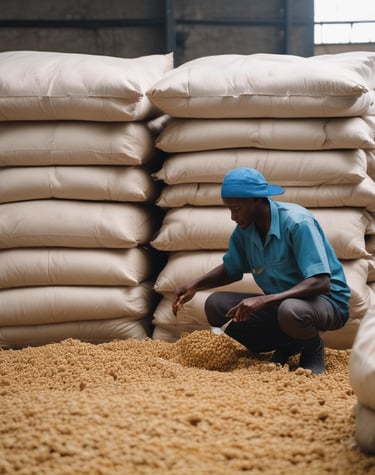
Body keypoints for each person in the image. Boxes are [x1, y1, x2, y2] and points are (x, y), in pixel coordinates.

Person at [172, 167, 350, 374]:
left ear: (257, 200)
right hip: (282, 304)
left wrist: (265, 300)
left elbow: (320, 282)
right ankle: (290, 343)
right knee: (215, 305)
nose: (232, 216)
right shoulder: (245, 231)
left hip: (326, 302)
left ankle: (312, 348)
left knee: (291, 310)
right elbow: (231, 270)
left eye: (236, 208)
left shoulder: (297, 223)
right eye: (229, 209)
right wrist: (195, 284)